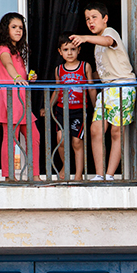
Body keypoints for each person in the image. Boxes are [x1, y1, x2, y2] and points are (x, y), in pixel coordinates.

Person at [70, 3, 136, 181]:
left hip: (122, 87)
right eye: (87, 19)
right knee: (95, 130)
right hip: (107, 88)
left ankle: (110, 175)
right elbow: (103, 73)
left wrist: (84, 38)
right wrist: (82, 75)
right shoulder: (96, 45)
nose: (90, 21)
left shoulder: (109, 33)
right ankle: (99, 175)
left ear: (105, 19)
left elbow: (108, 42)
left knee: (116, 132)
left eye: (94, 17)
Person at [0, 13, 39, 179]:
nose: (18, 30)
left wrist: (26, 78)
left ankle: (35, 175)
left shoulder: (17, 51)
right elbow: (7, 64)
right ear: (5, 29)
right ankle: (9, 176)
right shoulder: (4, 48)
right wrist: (17, 77)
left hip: (21, 99)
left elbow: (15, 70)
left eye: (21, 28)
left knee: (34, 136)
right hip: (10, 97)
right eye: (14, 27)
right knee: (11, 138)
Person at [51, 32, 96, 181]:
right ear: (60, 51)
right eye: (65, 49)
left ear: (79, 50)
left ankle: (78, 175)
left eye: (73, 49)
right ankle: (66, 165)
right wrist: (48, 106)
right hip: (62, 110)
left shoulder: (85, 67)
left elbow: (90, 88)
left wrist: (96, 106)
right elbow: (57, 90)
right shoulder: (59, 69)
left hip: (79, 111)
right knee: (60, 139)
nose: (69, 53)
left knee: (77, 142)